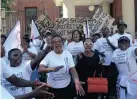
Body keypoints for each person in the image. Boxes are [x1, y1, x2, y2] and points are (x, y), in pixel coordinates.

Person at [93, 27, 117, 98]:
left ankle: (110, 95)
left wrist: (109, 42)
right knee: (103, 79)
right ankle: (104, 94)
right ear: (101, 31)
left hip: (112, 63)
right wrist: (100, 53)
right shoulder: (98, 40)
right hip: (102, 63)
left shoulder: (113, 39)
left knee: (111, 80)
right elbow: (94, 51)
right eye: (103, 29)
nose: (105, 30)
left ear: (109, 31)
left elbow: (116, 49)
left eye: (106, 29)